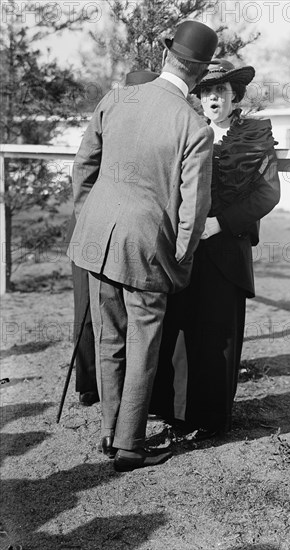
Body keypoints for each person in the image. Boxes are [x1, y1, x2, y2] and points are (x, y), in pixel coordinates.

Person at [67, 20, 219, 472]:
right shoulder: (195, 125)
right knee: (143, 344)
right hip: (147, 247)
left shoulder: (117, 97)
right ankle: (131, 446)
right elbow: (193, 208)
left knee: (109, 336)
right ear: (201, 71)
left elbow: (82, 167)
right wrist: (182, 257)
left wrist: (91, 219)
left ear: (167, 55)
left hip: (99, 238)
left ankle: (110, 433)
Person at [150, 59, 281, 440]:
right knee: (181, 330)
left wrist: (219, 223)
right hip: (187, 248)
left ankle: (211, 418)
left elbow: (268, 193)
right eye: (206, 92)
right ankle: (177, 414)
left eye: (220, 92)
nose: (213, 98)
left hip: (226, 250)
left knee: (219, 336)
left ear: (234, 95)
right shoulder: (190, 131)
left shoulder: (255, 134)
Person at [65, 69, 159, 408]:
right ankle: (91, 385)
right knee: (91, 315)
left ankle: (123, 407)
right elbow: (83, 167)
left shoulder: (154, 130)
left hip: (128, 234)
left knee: (126, 323)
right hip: (93, 228)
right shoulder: (110, 117)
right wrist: (87, 213)